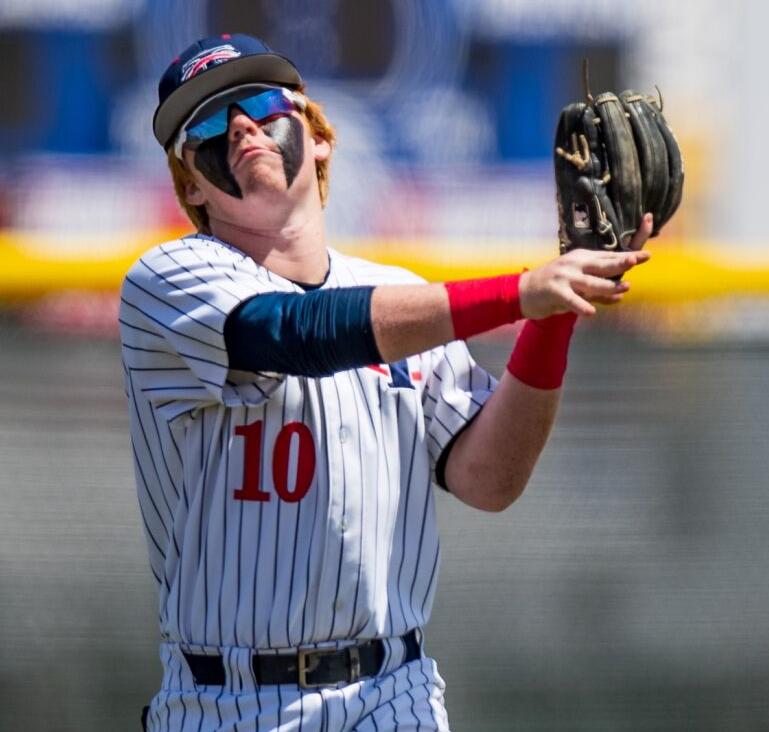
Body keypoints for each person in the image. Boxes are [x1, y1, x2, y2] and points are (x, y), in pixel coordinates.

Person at [120, 33, 652, 732]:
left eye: (261, 103)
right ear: (190, 183)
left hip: (393, 694)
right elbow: (293, 332)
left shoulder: (395, 296)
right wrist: (521, 291)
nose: (243, 125)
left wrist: (552, 313)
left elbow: (489, 481)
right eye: (211, 125)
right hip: (226, 698)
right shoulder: (165, 282)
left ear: (318, 140)